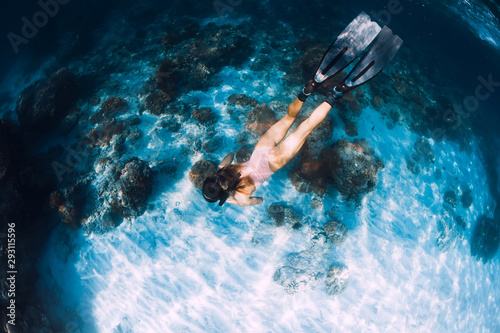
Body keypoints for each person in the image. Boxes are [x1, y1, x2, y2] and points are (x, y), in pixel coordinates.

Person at [202, 12, 403, 206]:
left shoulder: (240, 196)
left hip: (274, 162)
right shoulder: (223, 168)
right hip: (261, 149)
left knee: (306, 127)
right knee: (290, 117)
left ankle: (336, 93)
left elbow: (257, 201)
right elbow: (229, 154)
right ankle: (307, 90)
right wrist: (221, 170)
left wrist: (230, 199)